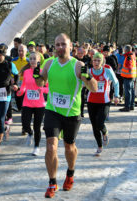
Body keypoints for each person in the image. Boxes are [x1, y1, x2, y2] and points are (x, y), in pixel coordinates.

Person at [33, 33, 97, 198]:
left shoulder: (78, 65)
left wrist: (87, 75)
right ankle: (52, 182)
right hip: (52, 110)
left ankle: (70, 173)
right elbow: (40, 83)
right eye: (57, 44)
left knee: (69, 146)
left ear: (71, 47)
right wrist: (36, 73)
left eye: (63, 44)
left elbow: (94, 88)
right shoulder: (49, 63)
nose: (60, 47)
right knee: (51, 146)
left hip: (72, 113)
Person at [87, 52, 119, 156]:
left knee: (100, 123)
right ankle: (99, 146)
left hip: (104, 101)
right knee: (94, 126)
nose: (96, 62)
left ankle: (105, 132)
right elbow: (82, 84)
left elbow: (116, 82)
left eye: (98, 60)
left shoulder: (107, 71)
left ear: (102, 62)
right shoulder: (89, 71)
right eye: (94, 60)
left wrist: (116, 96)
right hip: (91, 101)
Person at [16, 52, 48, 155]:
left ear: (38, 61)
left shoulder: (43, 73)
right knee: (25, 124)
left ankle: (36, 147)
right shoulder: (26, 72)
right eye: (31, 58)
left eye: (35, 58)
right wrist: (21, 91)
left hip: (39, 104)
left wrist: (42, 90)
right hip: (27, 102)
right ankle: (29, 133)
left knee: (37, 127)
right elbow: (24, 85)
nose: (33, 60)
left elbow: (49, 88)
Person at [12, 44, 29, 112]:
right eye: (19, 51)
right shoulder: (13, 61)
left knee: (25, 104)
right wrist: (11, 78)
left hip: (27, 84)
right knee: (19, 103)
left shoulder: (29, 61)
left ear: (26, 52)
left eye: (22, 51)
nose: (21, 52)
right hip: (17, 83)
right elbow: (10, 72)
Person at [120, 45, 136, 112]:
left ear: (126, 50)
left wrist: (128, 68)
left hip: (128, 76)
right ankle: (131, 105)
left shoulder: (128, 56)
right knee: (131, 91)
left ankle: (127, 107)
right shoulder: (132, 55)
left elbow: (129, 65)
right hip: (132, 76)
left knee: (127, 92)